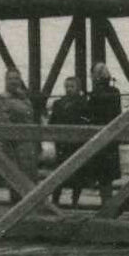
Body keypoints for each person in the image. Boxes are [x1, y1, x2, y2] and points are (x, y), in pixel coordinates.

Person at [83, 64, 125, 204]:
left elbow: (90, 114)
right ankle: (107, 202)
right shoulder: (115, 91)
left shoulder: (96, 94)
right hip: (112, 136)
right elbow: (117, 114)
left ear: (95, 77)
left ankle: (105, 203)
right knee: (107, 175)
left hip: (100, 136)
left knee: (102, 173)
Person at [0, 68, 41, 181]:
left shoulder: (25, 98)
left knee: (31, 178)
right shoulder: (1, 98)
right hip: (13, 146)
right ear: (5, 81)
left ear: (20, 80)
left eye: (16, 78)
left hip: (28, 144)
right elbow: (4, 121)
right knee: (16, 180)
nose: (13, 81)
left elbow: (31, 119)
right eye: (10, 79)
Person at [48, 76, 90, 206]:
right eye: (67, 87)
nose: (69, 89)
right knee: (59, 172)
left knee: (78, 173)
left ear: (78, 88)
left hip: (77, 143)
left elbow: (87, 121)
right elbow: (52, 123)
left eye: (72, 86)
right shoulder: (58, 103)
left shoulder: (83, 103)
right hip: (62, 143)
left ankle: (75, 200)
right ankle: (55, 200)